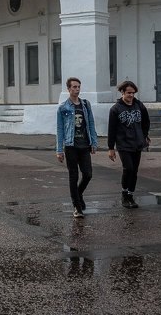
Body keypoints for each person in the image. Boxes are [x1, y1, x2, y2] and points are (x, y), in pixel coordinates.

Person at [56, 77, 98, 218]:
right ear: (68, 89)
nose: (77, 89)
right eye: (74, 87)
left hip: (85, 145)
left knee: (88, 174)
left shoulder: (86, 104)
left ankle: (78, 194)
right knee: (73, 176)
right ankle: (76, 206)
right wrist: (59, 150)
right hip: (71, 146)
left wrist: (94, 142)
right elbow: (60, 129)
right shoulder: (63, 107)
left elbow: (91, 124)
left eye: (78, 87)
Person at [106, 80, 150, 208]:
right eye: (129, 93)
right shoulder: (115, 109)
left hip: (137, 143)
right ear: (122, 92)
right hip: (123, 144)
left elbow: (146, 122)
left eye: (133, 93)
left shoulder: (139, 105)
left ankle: (131, 196)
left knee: (134, 171)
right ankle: (124, 194)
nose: (131, 95)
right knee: (128, 168)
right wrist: (110, 148)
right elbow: (111, 129)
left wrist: (143, 135)